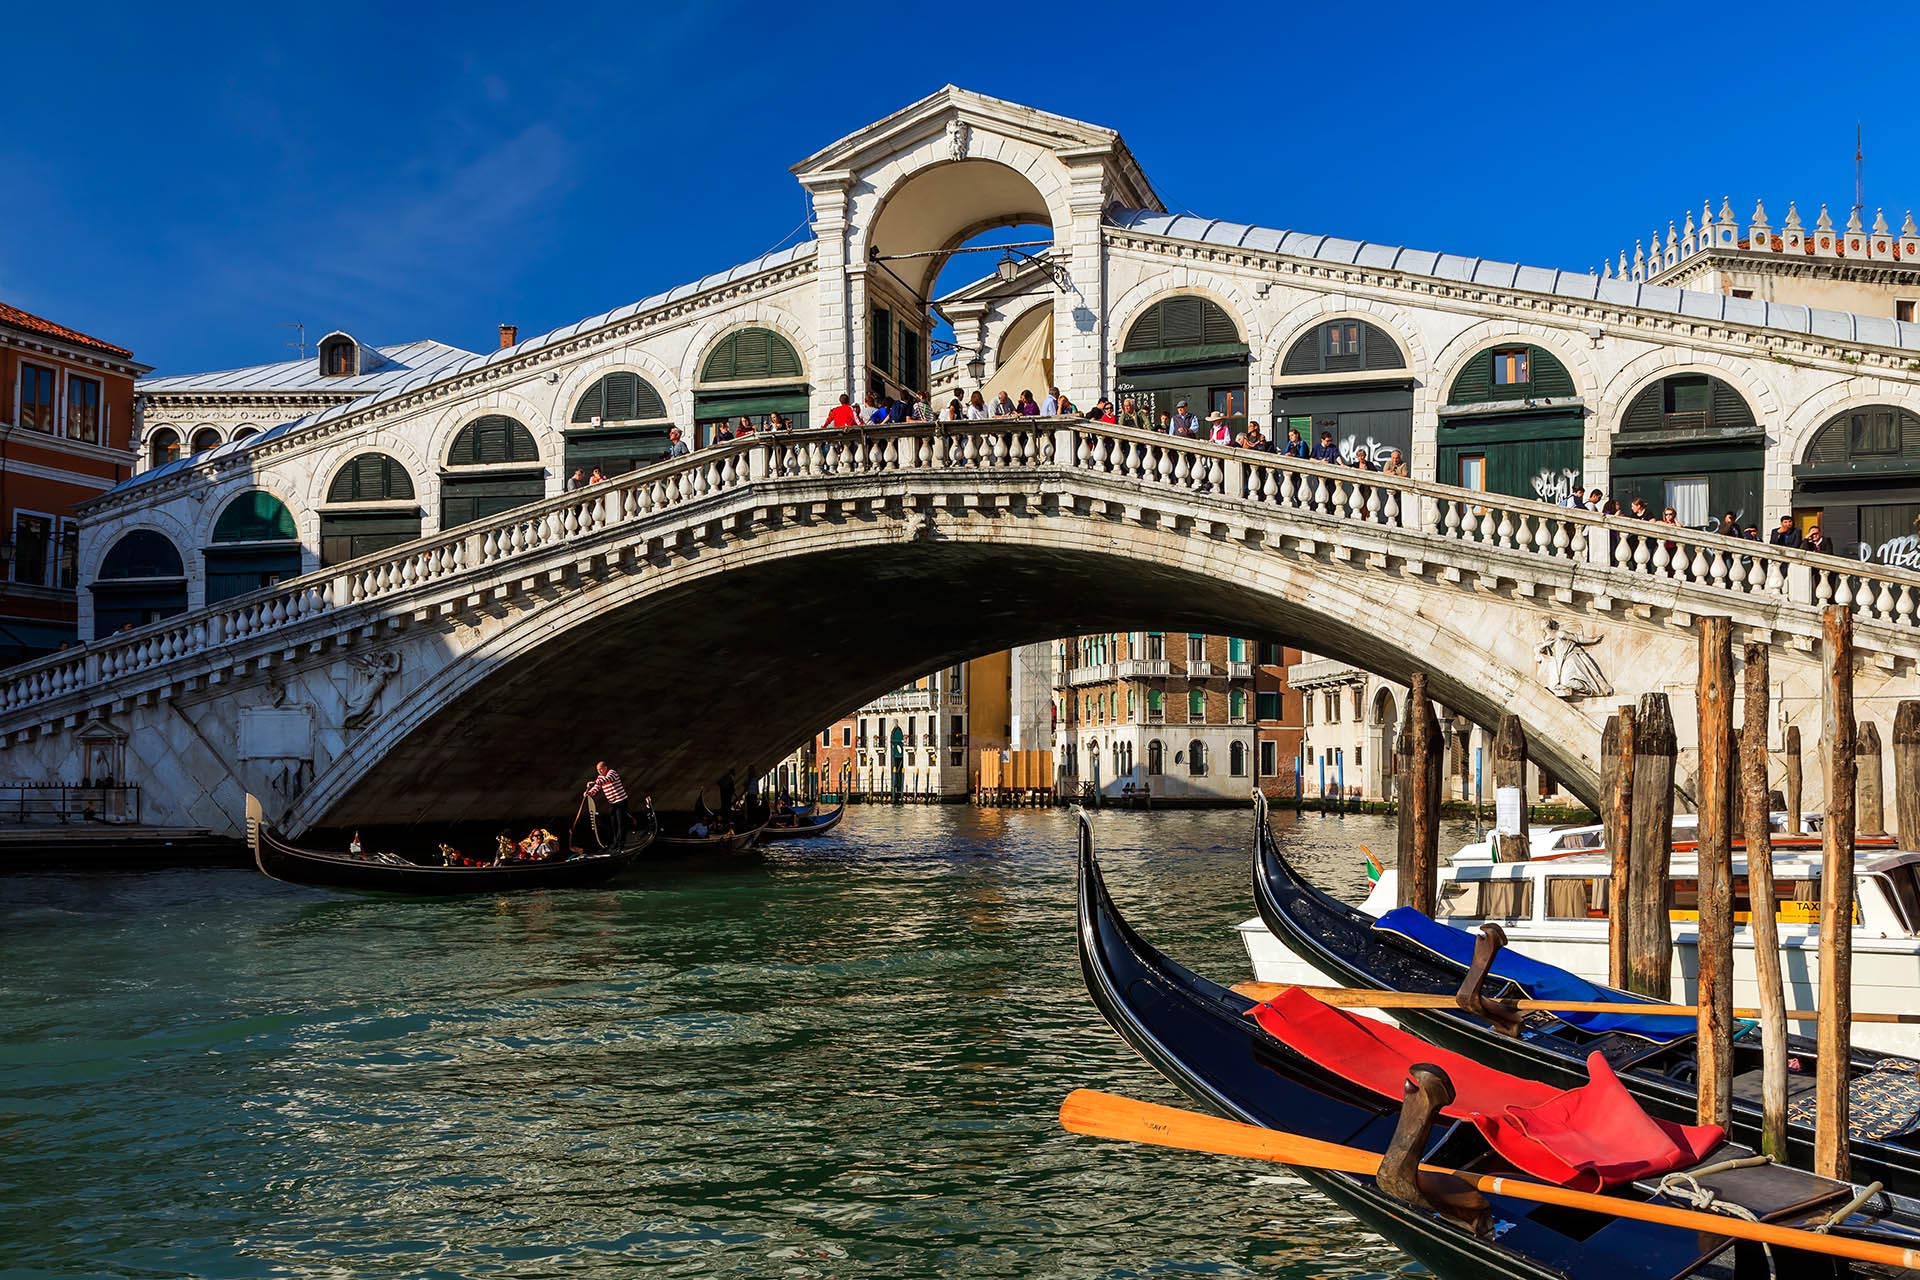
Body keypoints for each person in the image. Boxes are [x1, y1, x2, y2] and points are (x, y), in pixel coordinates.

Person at [583, 760, 633, 847]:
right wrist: (588, 793)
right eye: (598, 770)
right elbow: (596, 788)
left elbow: (606, 780)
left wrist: (593, 782)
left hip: (621, 801)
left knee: (621, 822)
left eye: (601, 769)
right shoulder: (599, 778)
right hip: (612, 803)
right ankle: (615, 842)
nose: (599, 771)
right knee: (613, 823)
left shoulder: (612, 773)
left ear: (605, 768)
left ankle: (621, 843)